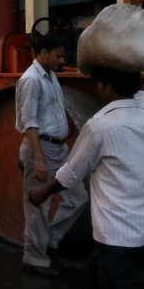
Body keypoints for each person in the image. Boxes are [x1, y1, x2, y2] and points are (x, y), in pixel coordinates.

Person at [28, 66, 144, 289]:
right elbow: (138, 87)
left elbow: (72, 172)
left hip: (117, 230)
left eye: (100, 84)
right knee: (95, 284)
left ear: (107, 88)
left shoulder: (100, 126)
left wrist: (43, 192)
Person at [15, 33, 88, 276]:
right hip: (43, 148)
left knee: (78, 197)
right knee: (38, 205)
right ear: (43, 53)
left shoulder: (51, 77)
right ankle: (35, 259)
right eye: (58, 55)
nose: (61, 59)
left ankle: (49, 242)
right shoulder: (32, 80)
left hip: (58, 147)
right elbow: (30, 123)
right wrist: (37, 159)